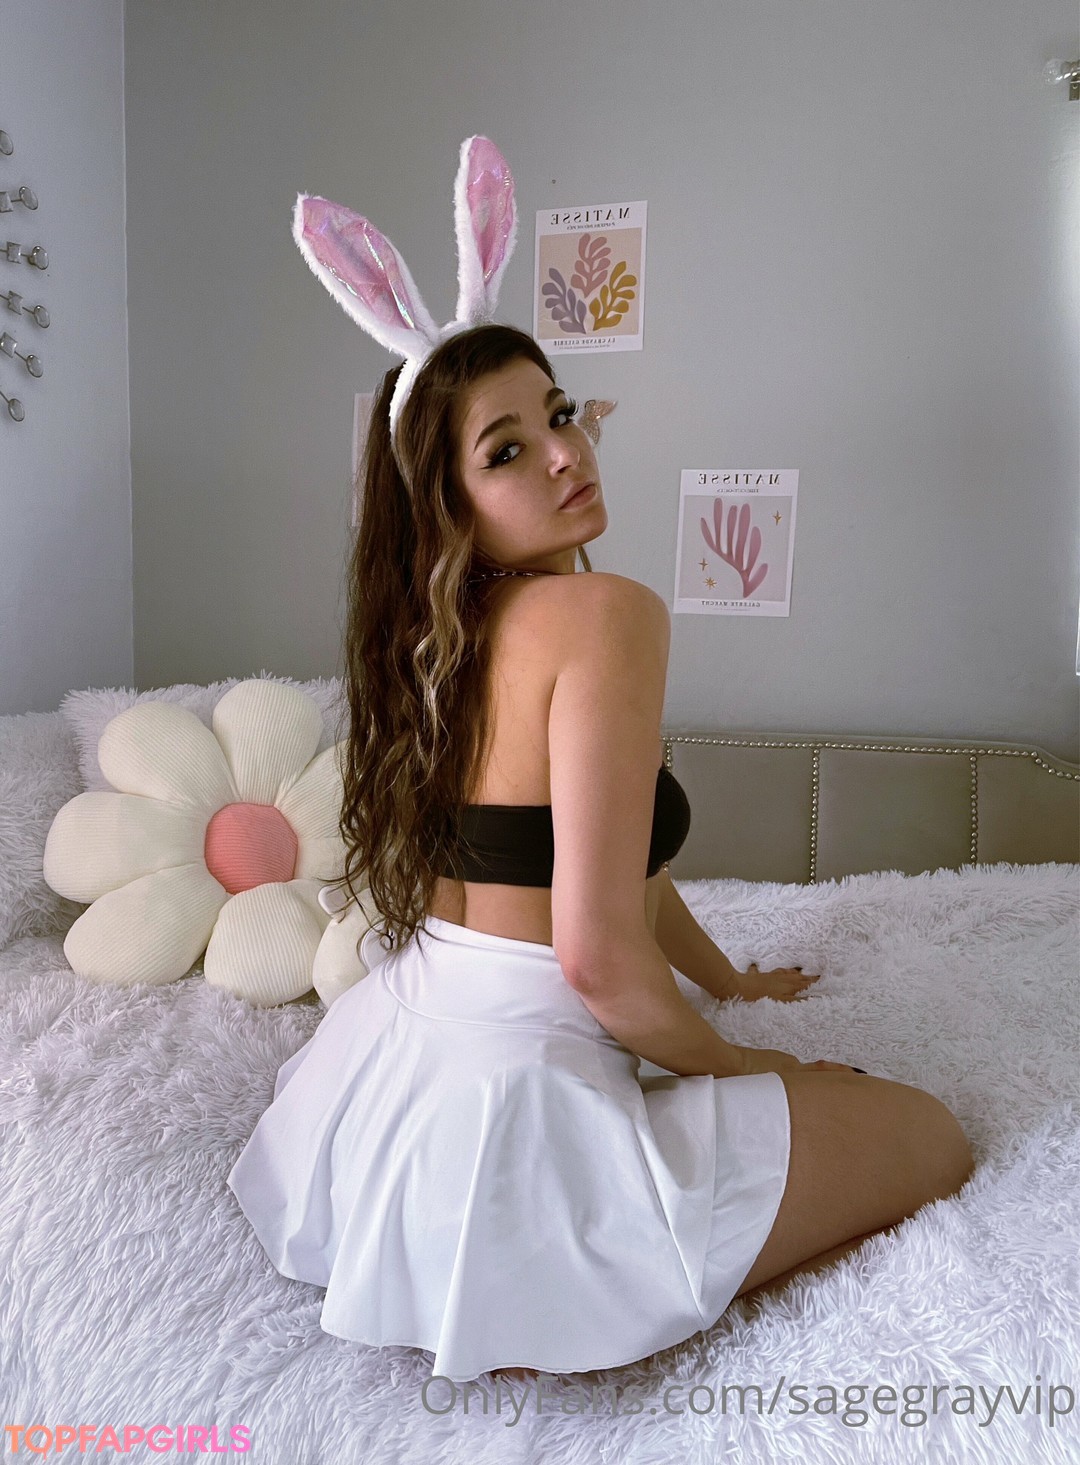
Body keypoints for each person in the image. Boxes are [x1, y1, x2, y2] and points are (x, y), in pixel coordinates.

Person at [227, 139, 974, 1384]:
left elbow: (596, 859)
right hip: (524, 1086)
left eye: (559, 412)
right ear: (449, 502)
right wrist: (748, 1064)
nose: (567, 453)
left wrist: (730, 980)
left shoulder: (432, 640)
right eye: (506, 450)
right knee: (937, 1136)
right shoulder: (603, 615)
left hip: (404, 1055)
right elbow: (594, 955)